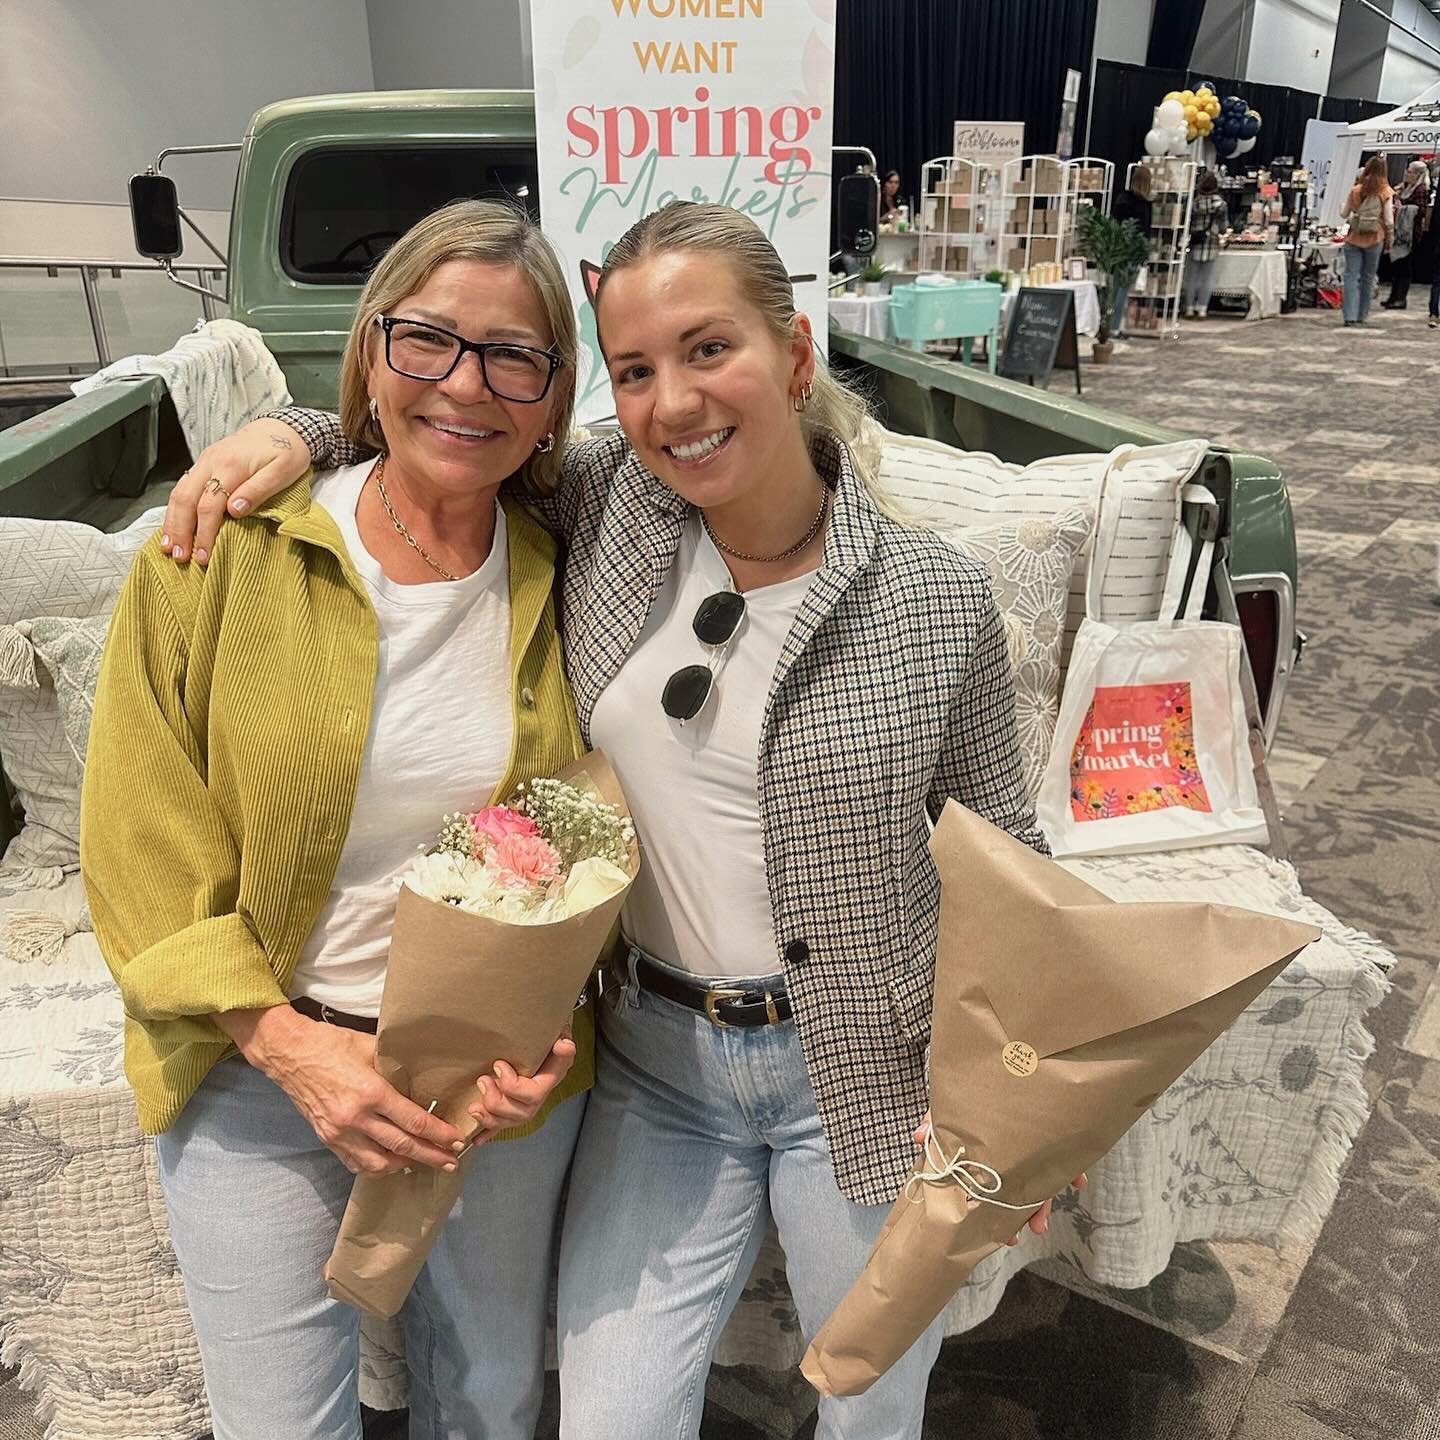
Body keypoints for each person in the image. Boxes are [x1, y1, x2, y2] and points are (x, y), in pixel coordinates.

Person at [161, 201, 1080, 1439]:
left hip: (857, 1066)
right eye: (636, 371)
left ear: (795, 354)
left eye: (710, 350)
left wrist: (1024, 1086)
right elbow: (448, 421)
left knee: (866, 1406)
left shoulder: (930, 596)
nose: (674, 403)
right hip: (660, 1070)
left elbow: (1007, 848)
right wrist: (288, 430)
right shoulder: (606, 510)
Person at [81, 200, 590, 1440]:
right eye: (426, 341)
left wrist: (546, 1028)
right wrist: (285, 1046)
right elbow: (139, 835)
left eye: (514, 354)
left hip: (481, 1081)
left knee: (489, 1402)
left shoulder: (572, 558)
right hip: (260, 1071)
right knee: (279, 1423)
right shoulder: (220, 551)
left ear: (553, 393)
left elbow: (579, 828)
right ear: (369, 350)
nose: (466, 386)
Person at [1340, 155, 1394, 326]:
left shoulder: (1356, 190)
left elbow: (1344, 214)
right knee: (1368, 277)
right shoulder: (1386, 192)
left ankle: (1349, 315)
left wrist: (1341, 206)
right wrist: (1390, 236)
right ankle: (1362, 314)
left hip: (1353, 237)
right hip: (1374, 238)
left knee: (1350, 276)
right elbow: (1389, 219)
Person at [1110, 166, 1154, 337]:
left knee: (1116, 289)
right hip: (1132, 251)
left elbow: (1114, 223)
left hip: (1118, 249)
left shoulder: (1122, 199)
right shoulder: (1143, 205)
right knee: (1122, 290)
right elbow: (1144, 231)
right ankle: (1115, 327)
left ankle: (1113, 325)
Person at [1382, 159, 1429, 309]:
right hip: (1400, 230)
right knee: (1397, 264)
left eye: (1409, 172)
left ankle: (1401, 298)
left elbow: (1421, 210)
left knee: (1404, 266)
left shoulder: (1420, 189)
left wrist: (1403, 207)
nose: (1406, 174)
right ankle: (1393, 296)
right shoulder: (1406, 187)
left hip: (1410, 232)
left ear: (1417, 174)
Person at [1184, 170, 1227, 319]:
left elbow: (1187, 223)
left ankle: (1189, 308)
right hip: (1212, 243)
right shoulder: (1221, 205)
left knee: (1191, 277)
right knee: (1207, 278)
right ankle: (1202, 309)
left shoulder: (1194, 203)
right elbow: (1223, 228)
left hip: (1196, 241)